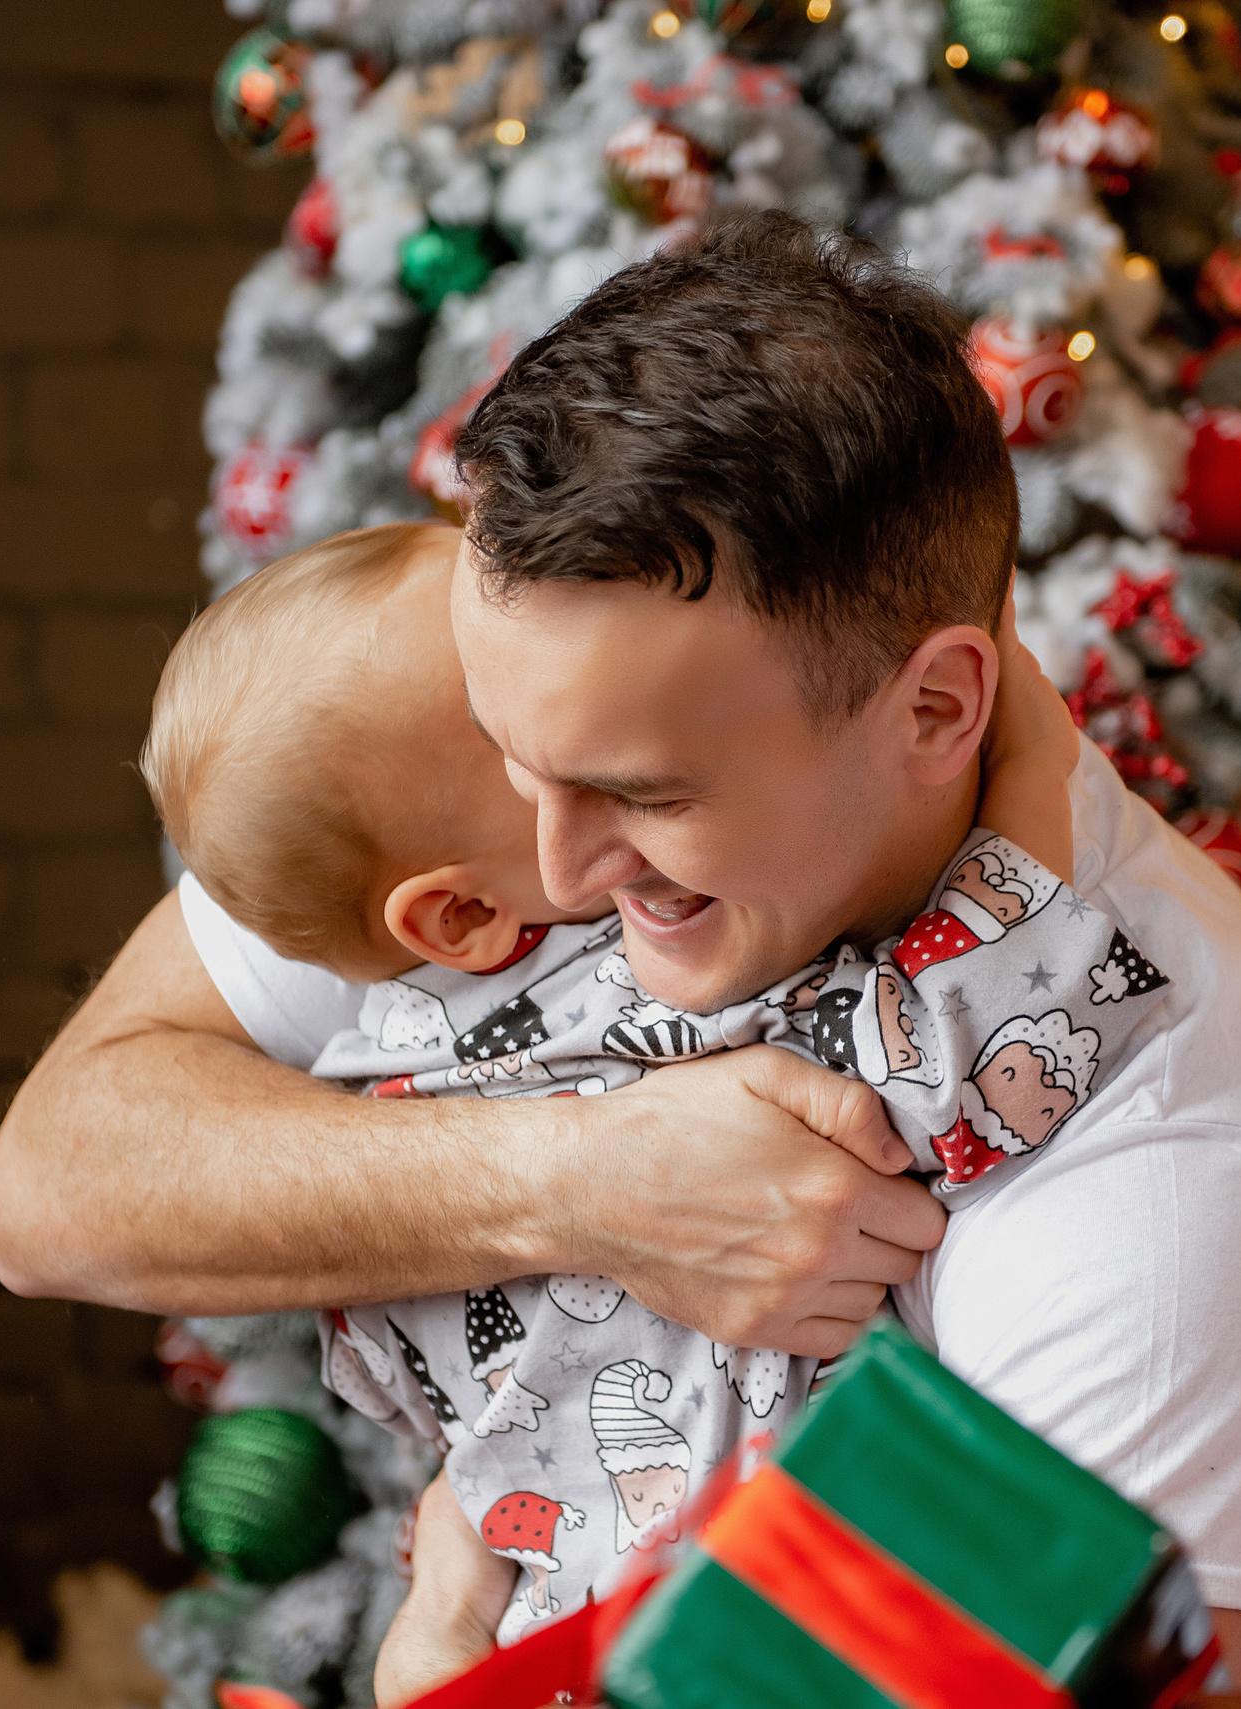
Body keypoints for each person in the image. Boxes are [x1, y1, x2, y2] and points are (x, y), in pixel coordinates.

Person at [0, 211, 1241, 1686]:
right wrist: (582, 1182)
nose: (558, 875)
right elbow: (53, 1189)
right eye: (515, 764)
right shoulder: (470, 801)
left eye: (644, 796)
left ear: (942, 710)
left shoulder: (1161, 1143)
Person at [134, 512, 1176, 1684]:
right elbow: (964, 1061)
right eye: (504, 725)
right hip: (736, 1634)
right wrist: (1035, 776)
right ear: (459, 915)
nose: (558, 698)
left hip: (556, 1624)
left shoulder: (379, 1076)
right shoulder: (616, 998)